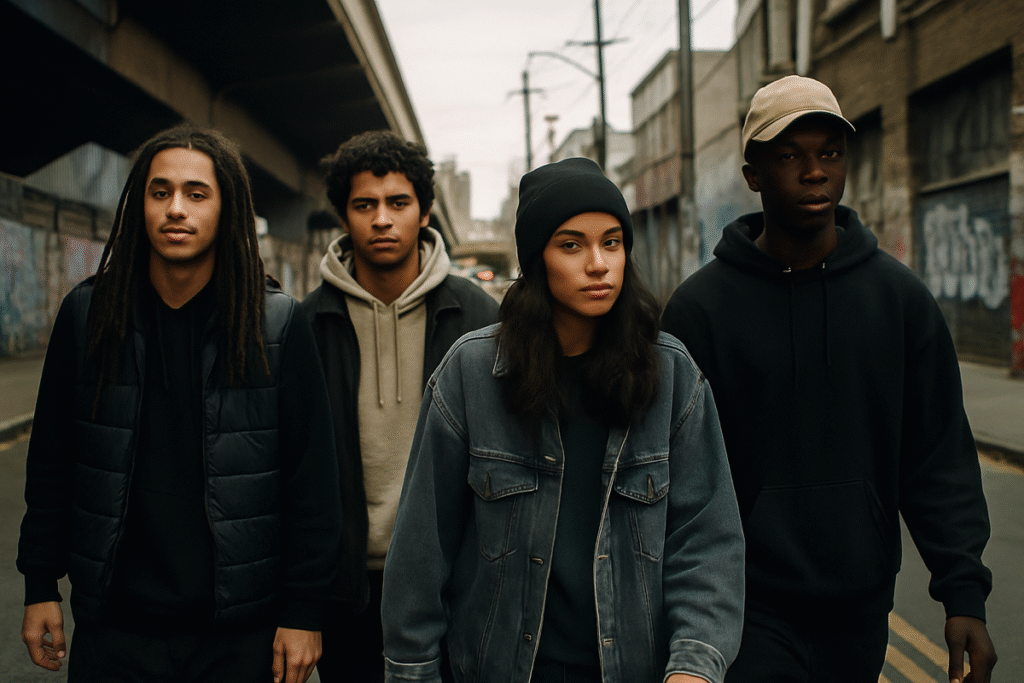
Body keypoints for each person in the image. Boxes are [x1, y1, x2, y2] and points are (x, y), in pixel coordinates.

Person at [661, 75, 997, 683]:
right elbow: (674, 476)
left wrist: (963, 595)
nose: (814, 172)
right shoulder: (699, 311)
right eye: (789, 156)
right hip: (743, 604)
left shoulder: (900, 302)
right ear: (753, 175)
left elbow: (937, 456)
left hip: (860, 604)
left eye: (830, 154)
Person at [379, 157, 745, 683]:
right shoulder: (473, 373)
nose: (598, 263)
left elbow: (707, 540)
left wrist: (693, 667)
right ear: (536, 260)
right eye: (571, 245)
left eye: (612, 242)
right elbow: (421, 551)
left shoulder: (671, 374)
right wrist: (412, 672)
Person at [17, 125, 342, 683]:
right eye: (160, 191)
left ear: (227, 208)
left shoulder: (279, 325)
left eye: (197, 194)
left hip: (239, 635)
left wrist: (304, 610)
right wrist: (40, 583)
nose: (176, 209)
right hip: (115, 628)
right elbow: (52, 459)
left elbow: (311, 480)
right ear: (139, 203)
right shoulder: (89, 314)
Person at [302, 130, 499, 682]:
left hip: (454, 578)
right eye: (365, 205)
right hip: (347, 589)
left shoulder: (478, 315)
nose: (382, 219)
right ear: (344, 216)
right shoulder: (306, 323)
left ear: (426, 212)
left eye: (398, 203)